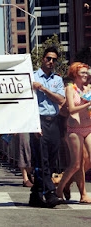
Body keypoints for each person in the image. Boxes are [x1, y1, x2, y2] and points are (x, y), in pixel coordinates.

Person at [29, 47, 65, 208]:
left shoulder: (57, 80)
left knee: (51, 160)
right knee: (41, 159)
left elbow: (60, 100)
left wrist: (43, 88)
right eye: (48, 58)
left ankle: (35, 196)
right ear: (43, 59)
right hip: (39, 121)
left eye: (54, 59)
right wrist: (34, 125)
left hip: (54, 122)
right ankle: (50, 194)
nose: (51, 62)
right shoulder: (32, 77)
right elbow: (27, 103)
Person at [56, 62, 91, 203]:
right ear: (75, 74)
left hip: (88, 127)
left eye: (87, 72)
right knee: (76, 164)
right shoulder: (70, 89)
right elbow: (71, 110)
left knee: (88, 160)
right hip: (74, 129)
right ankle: (60, 189)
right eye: (83, 73)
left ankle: (70, 184)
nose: (86, 75)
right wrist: (87, 104)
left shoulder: (89, 88)